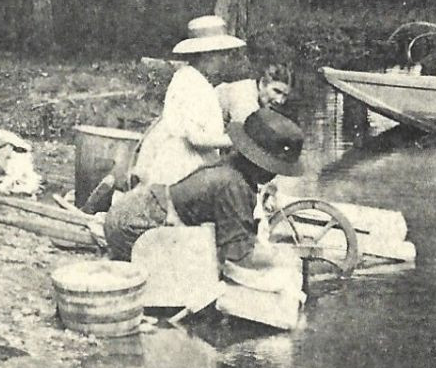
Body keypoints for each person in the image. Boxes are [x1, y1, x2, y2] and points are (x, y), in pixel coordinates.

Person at [104, 107, 305, 267]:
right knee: (204, 277)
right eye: (274, 168)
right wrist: (283, 257)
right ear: (260, 163)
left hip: (133, 208)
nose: (274, 174)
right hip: (132, 226)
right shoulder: (232, 184)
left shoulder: (231, 165)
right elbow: (237, 256)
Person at [129, 15, 245, 188]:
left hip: (190, 164)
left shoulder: (193, 79)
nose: (225, 60)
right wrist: (239, 141)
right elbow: (196, 138)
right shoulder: (191, 84)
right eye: (223, 54)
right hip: (183, 168)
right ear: (208, 55)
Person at [218, 65, 293, 127]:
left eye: (285, 95)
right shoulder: (245, 97)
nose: (280, 100)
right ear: (263, 84)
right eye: (277, 91)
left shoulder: (257, 95)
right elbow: (241, 138)